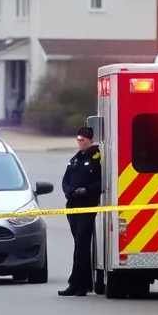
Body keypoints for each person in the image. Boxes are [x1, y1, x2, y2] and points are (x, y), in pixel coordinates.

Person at [59, 126, 102, 297]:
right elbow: (65, 178)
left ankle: (76, 283)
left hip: (87, 206)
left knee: (82, 246)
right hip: (73, 206)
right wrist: (68, 190)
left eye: (83, 140)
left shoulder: (96, 158)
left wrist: (86, 191)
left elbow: (101, 182)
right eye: (78, 140)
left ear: (90, 141)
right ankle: (84, 284)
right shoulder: (76, 159)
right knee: (79, 244)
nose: (80, 142)